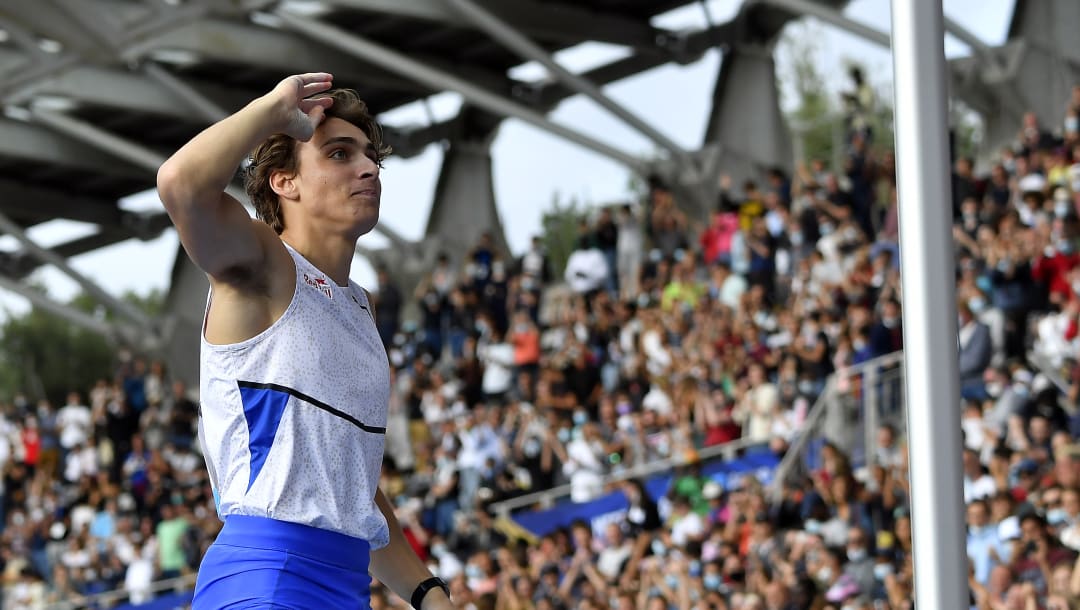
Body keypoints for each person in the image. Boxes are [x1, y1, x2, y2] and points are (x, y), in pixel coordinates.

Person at [157, 72, 453, 610]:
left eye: (371, 157)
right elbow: (180, 184)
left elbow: (349, 491)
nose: (368, 168)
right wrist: (270, 112)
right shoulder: (261, 263)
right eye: (339, 154)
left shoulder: (359, 306)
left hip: (343, 585)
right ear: (283, 182)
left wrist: (427, 592)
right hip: (266, 577)